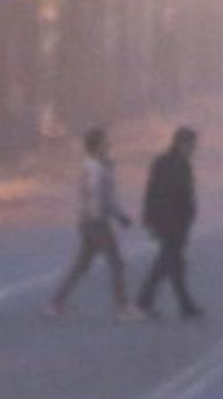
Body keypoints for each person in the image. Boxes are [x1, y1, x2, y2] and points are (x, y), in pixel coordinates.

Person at [48, 126, 132, 316]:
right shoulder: (96, 169)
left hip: (87, 221)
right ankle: (123, 308)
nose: (109, 144)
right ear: (97, 145)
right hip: (96, 221)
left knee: (82, 264)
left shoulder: (96, 166)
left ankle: (55, 304)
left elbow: (103, 196)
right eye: (105, 142)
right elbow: (100, 197)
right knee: (116, 263)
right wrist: (115, 216)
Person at [136, 126, 202, 319]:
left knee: (173, 263)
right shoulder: (176, 164)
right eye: (191, 144)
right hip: (172, 222)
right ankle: (145, 301)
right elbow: (164, 193)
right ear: (181, 144)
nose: (194, 149)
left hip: (171, 221)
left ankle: (184, 304)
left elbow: (150, 192)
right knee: (167, 262)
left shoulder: (166, 162)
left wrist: (149, 219)